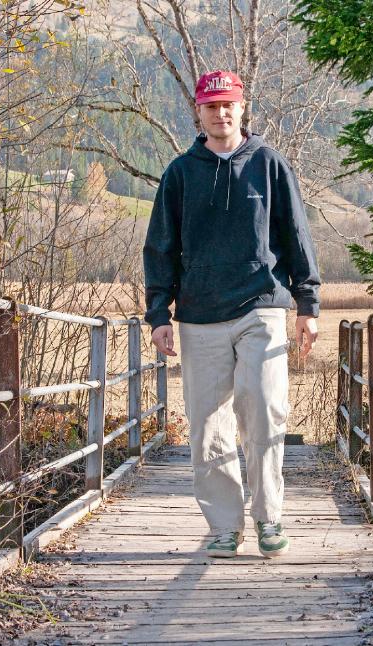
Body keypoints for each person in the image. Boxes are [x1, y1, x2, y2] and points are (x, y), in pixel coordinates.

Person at [143, 70, 320, 558]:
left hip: (261, 305)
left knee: (263, 410)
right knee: (207, 425)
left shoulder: (269, 164)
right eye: (211, 106)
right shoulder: (180, 173)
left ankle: (268, 518)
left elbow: (297, 236)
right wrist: (159, 312)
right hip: (199, 314)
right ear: (198, 113)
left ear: (243, 109)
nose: (221, 114)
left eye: (229, 105)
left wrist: (307, 304)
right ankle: (224, 525)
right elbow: (160, 247)